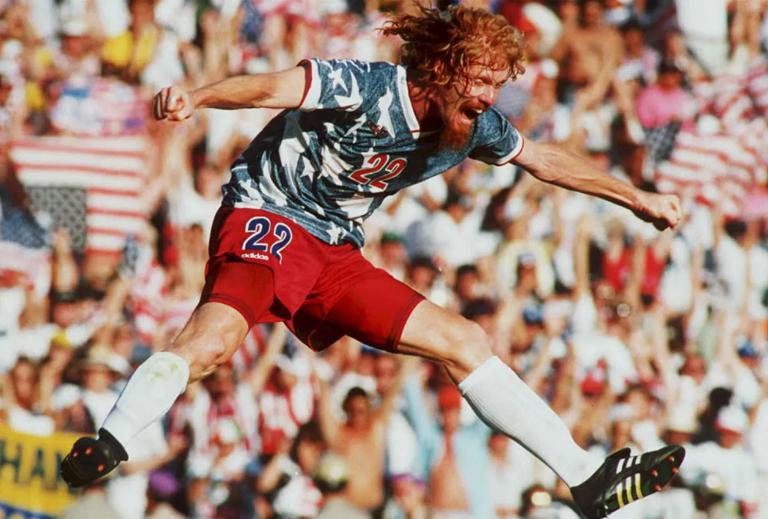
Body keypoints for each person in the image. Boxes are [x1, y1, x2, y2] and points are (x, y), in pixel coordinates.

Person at [61, 5, 685, 519]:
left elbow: (545, 158)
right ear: (439, 70)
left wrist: (637, 198)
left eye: (499, 84)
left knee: (463, 340)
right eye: (480, 82)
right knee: (217, 338)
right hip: (269, 215)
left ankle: (584, 479)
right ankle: (111, 439)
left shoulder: (473, 127)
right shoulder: (363, 87)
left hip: (335, 248)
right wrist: (198, 97)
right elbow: (272, 87)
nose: (491, 98)